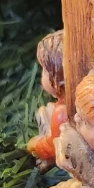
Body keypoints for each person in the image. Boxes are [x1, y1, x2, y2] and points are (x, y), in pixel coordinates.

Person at [25, 29, 67, 169]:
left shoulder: (62, 113)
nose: (41, 75)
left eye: (44, 70)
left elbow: (52, 146)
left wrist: (35, 145)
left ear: (59, 80)